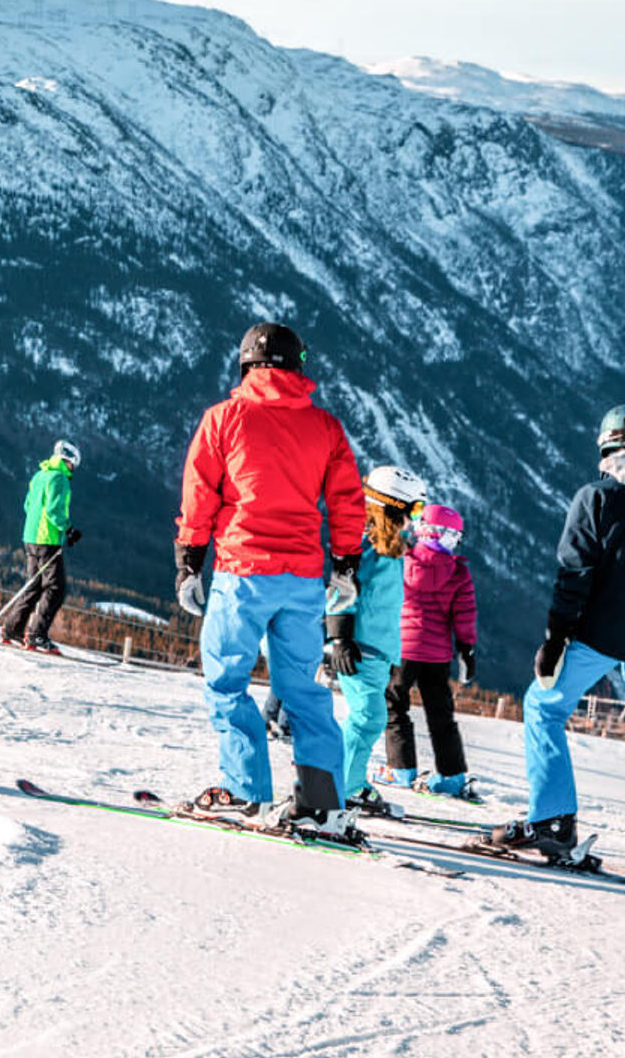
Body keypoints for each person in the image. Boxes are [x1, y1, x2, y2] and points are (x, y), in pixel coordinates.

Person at [173, 322, 366, 835]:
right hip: (303, 580)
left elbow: (200, 495)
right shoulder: (326, 428)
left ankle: (244, 793)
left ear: (245, 364)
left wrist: (190, 562)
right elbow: (348, 502)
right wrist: (346, 566)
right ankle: (323, 805)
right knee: (302, 691)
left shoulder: (223, 419)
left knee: (227, 682)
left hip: (243, 573)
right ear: (298, 366)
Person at [487, 405, 625, 860]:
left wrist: (556, 639)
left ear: (606, 448)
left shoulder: (598, 498)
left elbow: (574, 574)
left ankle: (553, 819)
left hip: (601, 634)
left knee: (543, 707)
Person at [327, 465, 427, 814]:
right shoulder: (364, 541)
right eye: (414, 509)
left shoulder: (393, 544)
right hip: (360, 646)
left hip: (382, 648)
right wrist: (339, 637)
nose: (417, 518)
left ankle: (348, 782)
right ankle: (337, 787)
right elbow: (341, 587)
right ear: (392, 505)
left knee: (370, 718)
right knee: (367, 717)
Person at [380, 502, 478, 796]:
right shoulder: (458, 573)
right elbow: (465, 616)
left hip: (403, 648)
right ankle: (451, 776)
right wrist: (467, 650)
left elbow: (385, 602)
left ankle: (400, 769)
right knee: (441, 715)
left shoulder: (402, 562)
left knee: (395, 706)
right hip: (436, 654)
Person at [1, 441, 83, 653]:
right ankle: (37, 634)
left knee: (33, 585)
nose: (74, 469)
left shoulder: (39, 476)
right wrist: (68, 529)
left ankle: (12, 628)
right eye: (74, 464)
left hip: (30, 536)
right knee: (56, 588)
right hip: (46, 539)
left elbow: (28, 505)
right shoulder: (60, 478)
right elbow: (55, 511)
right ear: (68, 462)